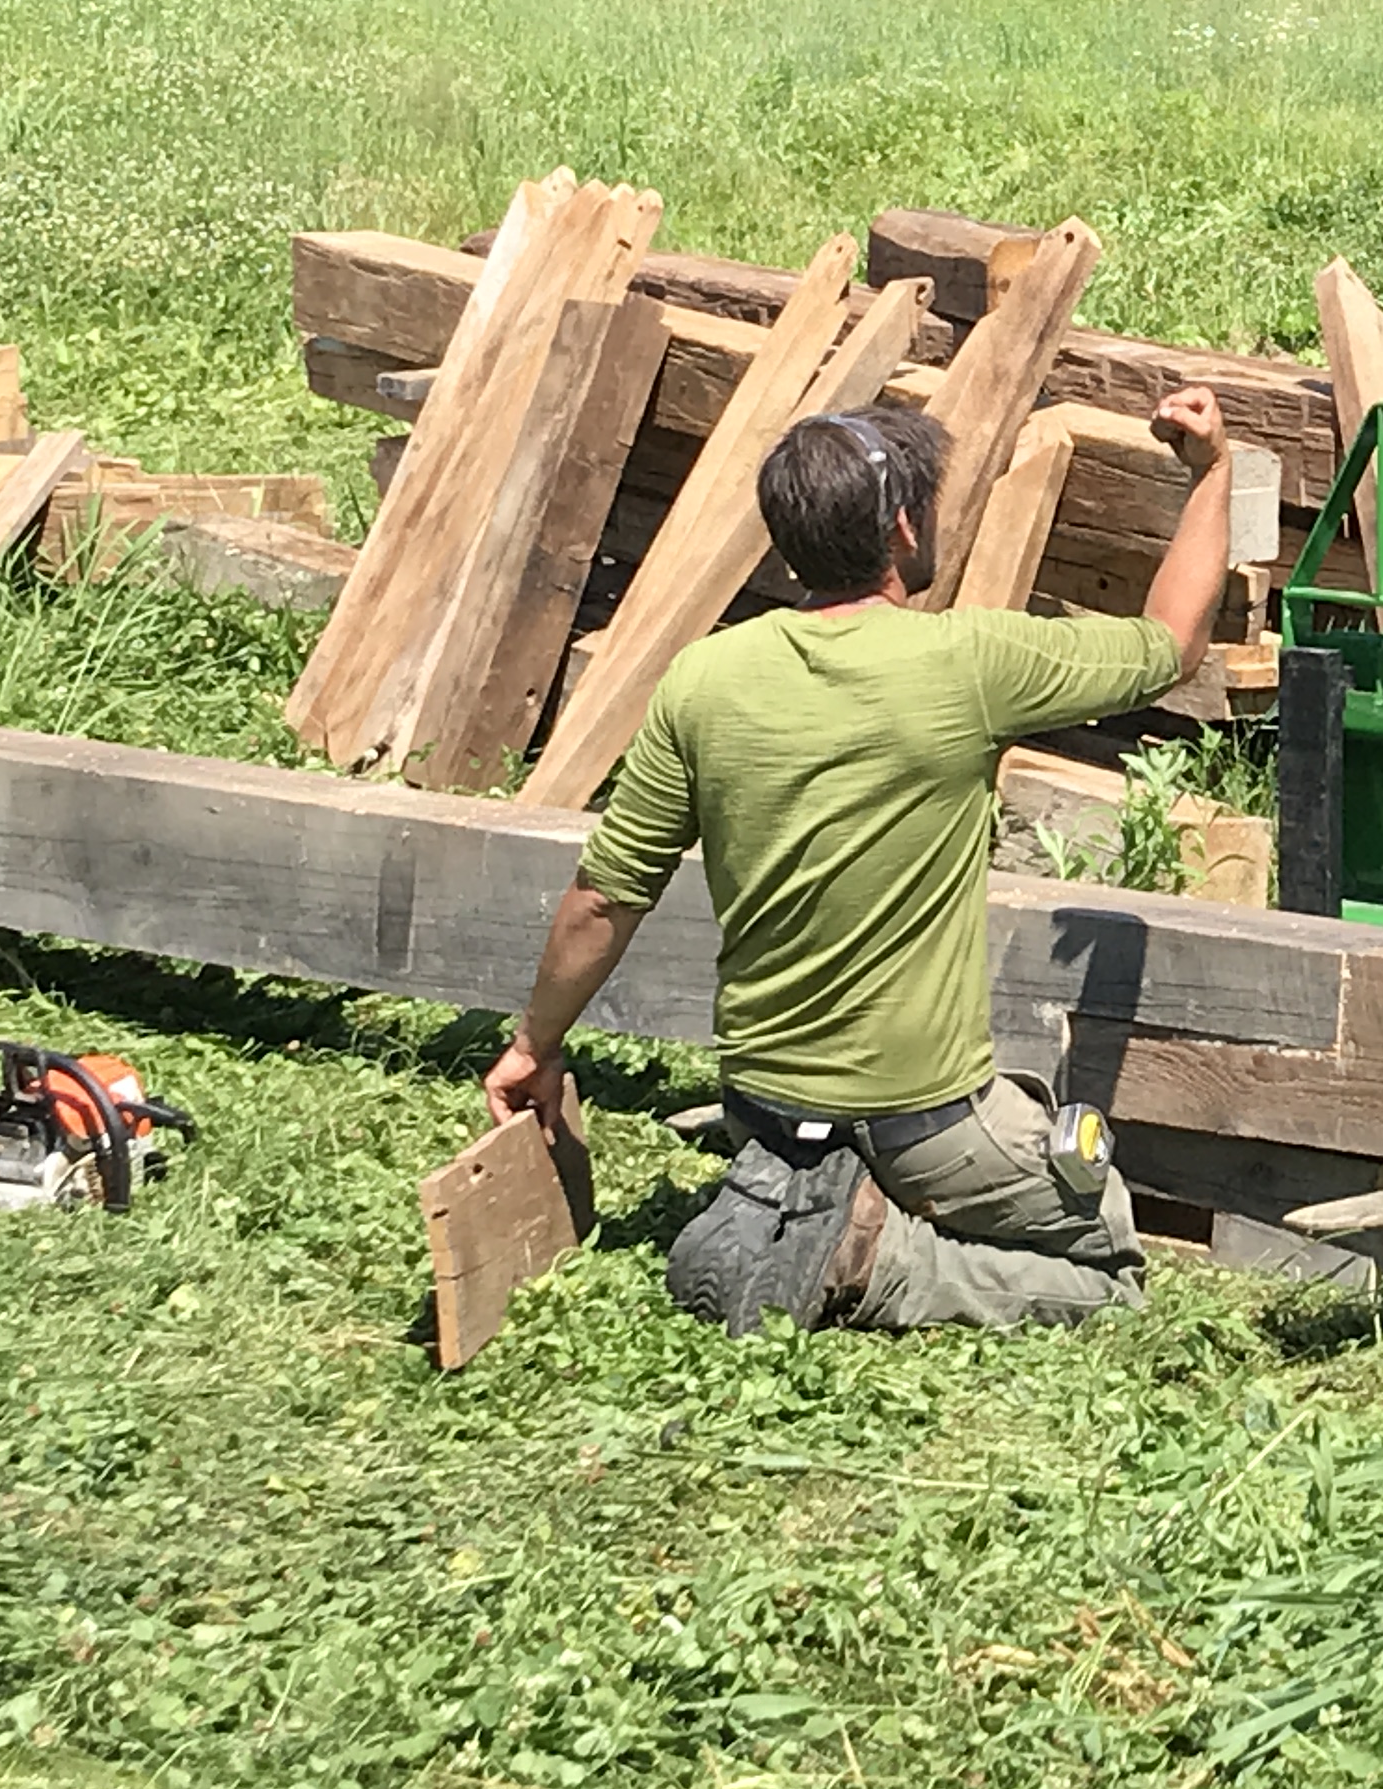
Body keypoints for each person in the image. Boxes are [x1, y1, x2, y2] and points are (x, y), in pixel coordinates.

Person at [483, 385, 1238, 1333]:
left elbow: (606, 896)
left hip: (762, 1106)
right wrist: (1212, 472)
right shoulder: (969, 662)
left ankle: (801, 1198)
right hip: (929, 1124)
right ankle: (872, 1256)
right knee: (1107, 1262)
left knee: (882, 1152)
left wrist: (534, 1047)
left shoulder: (704, 680)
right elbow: (1172, 643)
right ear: (905, 528)